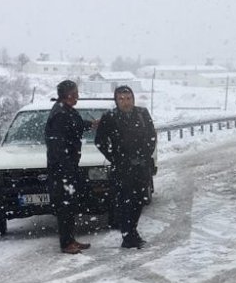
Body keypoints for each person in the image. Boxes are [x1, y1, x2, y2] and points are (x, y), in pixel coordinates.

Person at [96, 85, 156, 249]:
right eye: (121, 99)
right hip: (122, 169)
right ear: (116, 100)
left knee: (138, 201)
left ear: (133, 99)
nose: (125, 102)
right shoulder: (110, 117)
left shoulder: (142, 114)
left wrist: (145, 154)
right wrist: (114, 157)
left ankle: (132, 231)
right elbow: (100, 141)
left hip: (141, 167)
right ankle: (128, 236)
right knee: (124, 203)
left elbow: (152, 136)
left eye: (128, 98)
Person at [45, 79, 96, 255]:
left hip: (68, 167)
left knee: (70, 205)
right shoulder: (60, 114)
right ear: (68, 95)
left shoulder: (66, 110)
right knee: (65, 207)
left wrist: (91, 125)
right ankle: (66, 243)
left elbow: (76, 126)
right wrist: (66, 169)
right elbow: (57, 145)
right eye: (76, 93)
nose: (78, 96)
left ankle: (71, 239)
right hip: (62, 170)